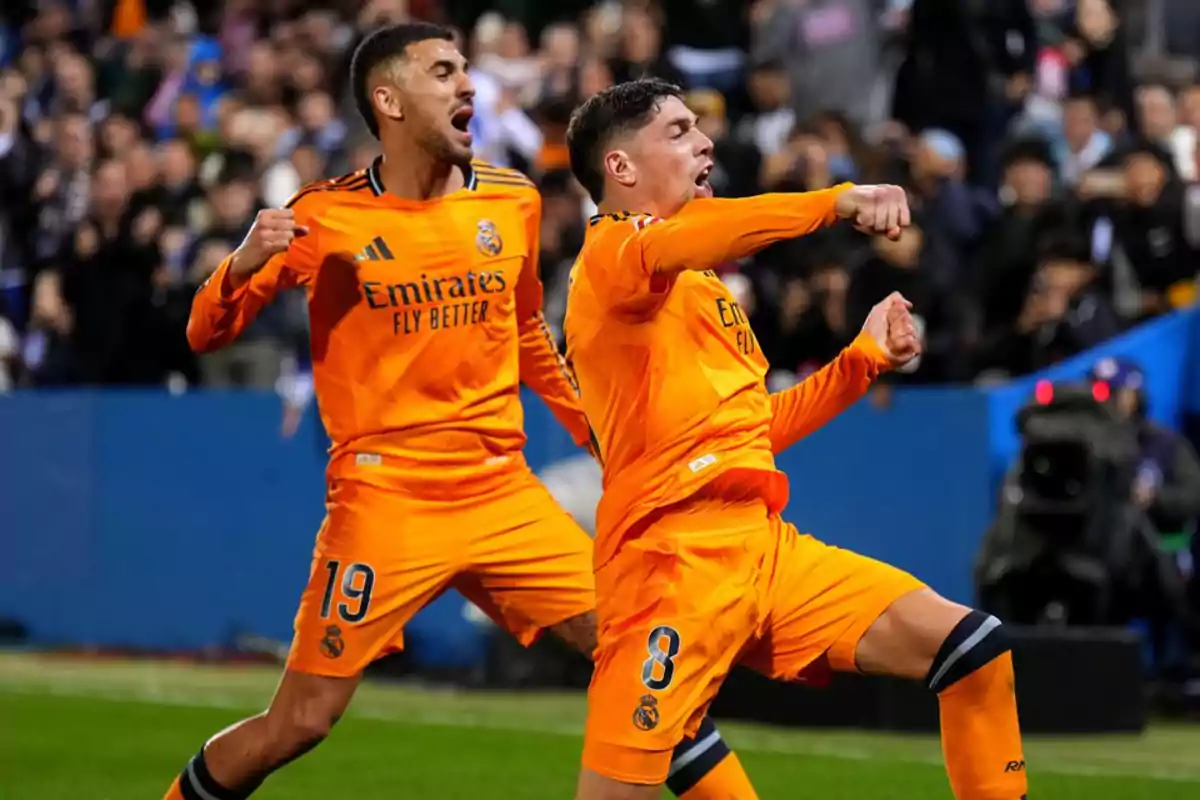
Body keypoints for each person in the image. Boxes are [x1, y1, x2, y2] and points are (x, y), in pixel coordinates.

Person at [163, 26, 753, 800]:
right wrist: (239, 262)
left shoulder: (511, 200)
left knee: (647, 664)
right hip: (387, 500)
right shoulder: (326, 219)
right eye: (444, 72)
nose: (468, 85)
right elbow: (206, 332)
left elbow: (528, 335)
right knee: (300, 721)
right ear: (389, 100)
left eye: (467, 70)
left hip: (501, 493)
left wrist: (595, 432)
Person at [564, 78, 1028, 800]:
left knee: (971, 647)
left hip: (763, 548)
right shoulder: (611, 258)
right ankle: (682, 739)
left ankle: (686, 739)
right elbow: (696, 236)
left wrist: (860, 362)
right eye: (680, 131)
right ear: (621, 169)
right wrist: (834, 200)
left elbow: (755, 432)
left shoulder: (706, 289)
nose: (705, 140)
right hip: (669, 570)